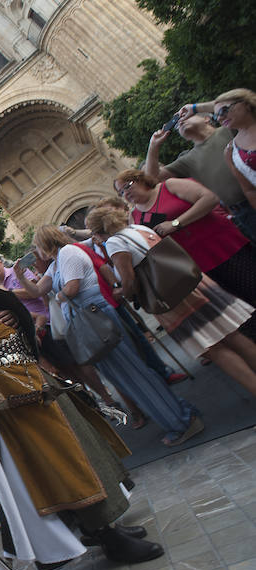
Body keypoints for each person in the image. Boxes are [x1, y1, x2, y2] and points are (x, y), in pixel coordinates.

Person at [0, 241, 163, 570]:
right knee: (64, 460)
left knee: (77, 446)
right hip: (11, 396)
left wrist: (7, 318)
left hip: (28, 381)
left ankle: (100, 526)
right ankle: (106, 535)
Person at [16, 225, 204, 447]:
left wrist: (59, 296)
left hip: (96, 319)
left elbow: (72, 288)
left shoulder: (67, 253)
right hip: (92, 322)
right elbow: (37, 291)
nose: (37, 251)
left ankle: (181, 420)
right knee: (126, 375)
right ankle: (177, 414)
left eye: (37, 245)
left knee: (132, 373)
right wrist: (20, 275)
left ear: (46, 242)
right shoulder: (57, 262)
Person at [85, 205, 256, 397]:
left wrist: (122, 293)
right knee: (232, 334)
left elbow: (129, 280)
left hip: (172, 299)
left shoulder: (115, 243)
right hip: (192, 284)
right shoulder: (137, 228)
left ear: (99, 232)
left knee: (214, 348)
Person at [115, 168, 256, 340]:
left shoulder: (168, 187)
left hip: (222, 247)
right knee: (240, 310)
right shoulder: (134, 217)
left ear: (139, 180)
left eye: (127, 186)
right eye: (121, 192)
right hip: (194, 268)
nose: (125, 193)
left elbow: (209, 198)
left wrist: (176, 223)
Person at [144, 101, 256, 242]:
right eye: (177, 125)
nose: (180, 123)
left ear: (206, 118)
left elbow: (242, 103)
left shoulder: (228, 130)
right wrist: (153, 146)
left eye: (185, 118)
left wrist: (196, 108)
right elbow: (150, 180)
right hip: (243, 213)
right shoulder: (187, 160)